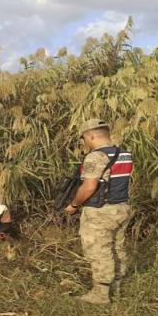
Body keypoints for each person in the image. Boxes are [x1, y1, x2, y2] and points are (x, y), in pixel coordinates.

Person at [64, 119, 133, 304]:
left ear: (91, 135)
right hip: (121, 208)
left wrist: (74, 205)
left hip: (101, 211)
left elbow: (89, 187)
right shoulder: (125, 154)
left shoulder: (95, 157)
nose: (84, 143)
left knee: (99, 250)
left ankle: (100, 294)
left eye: (84, 138)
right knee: (117, 248)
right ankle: (116, 288)